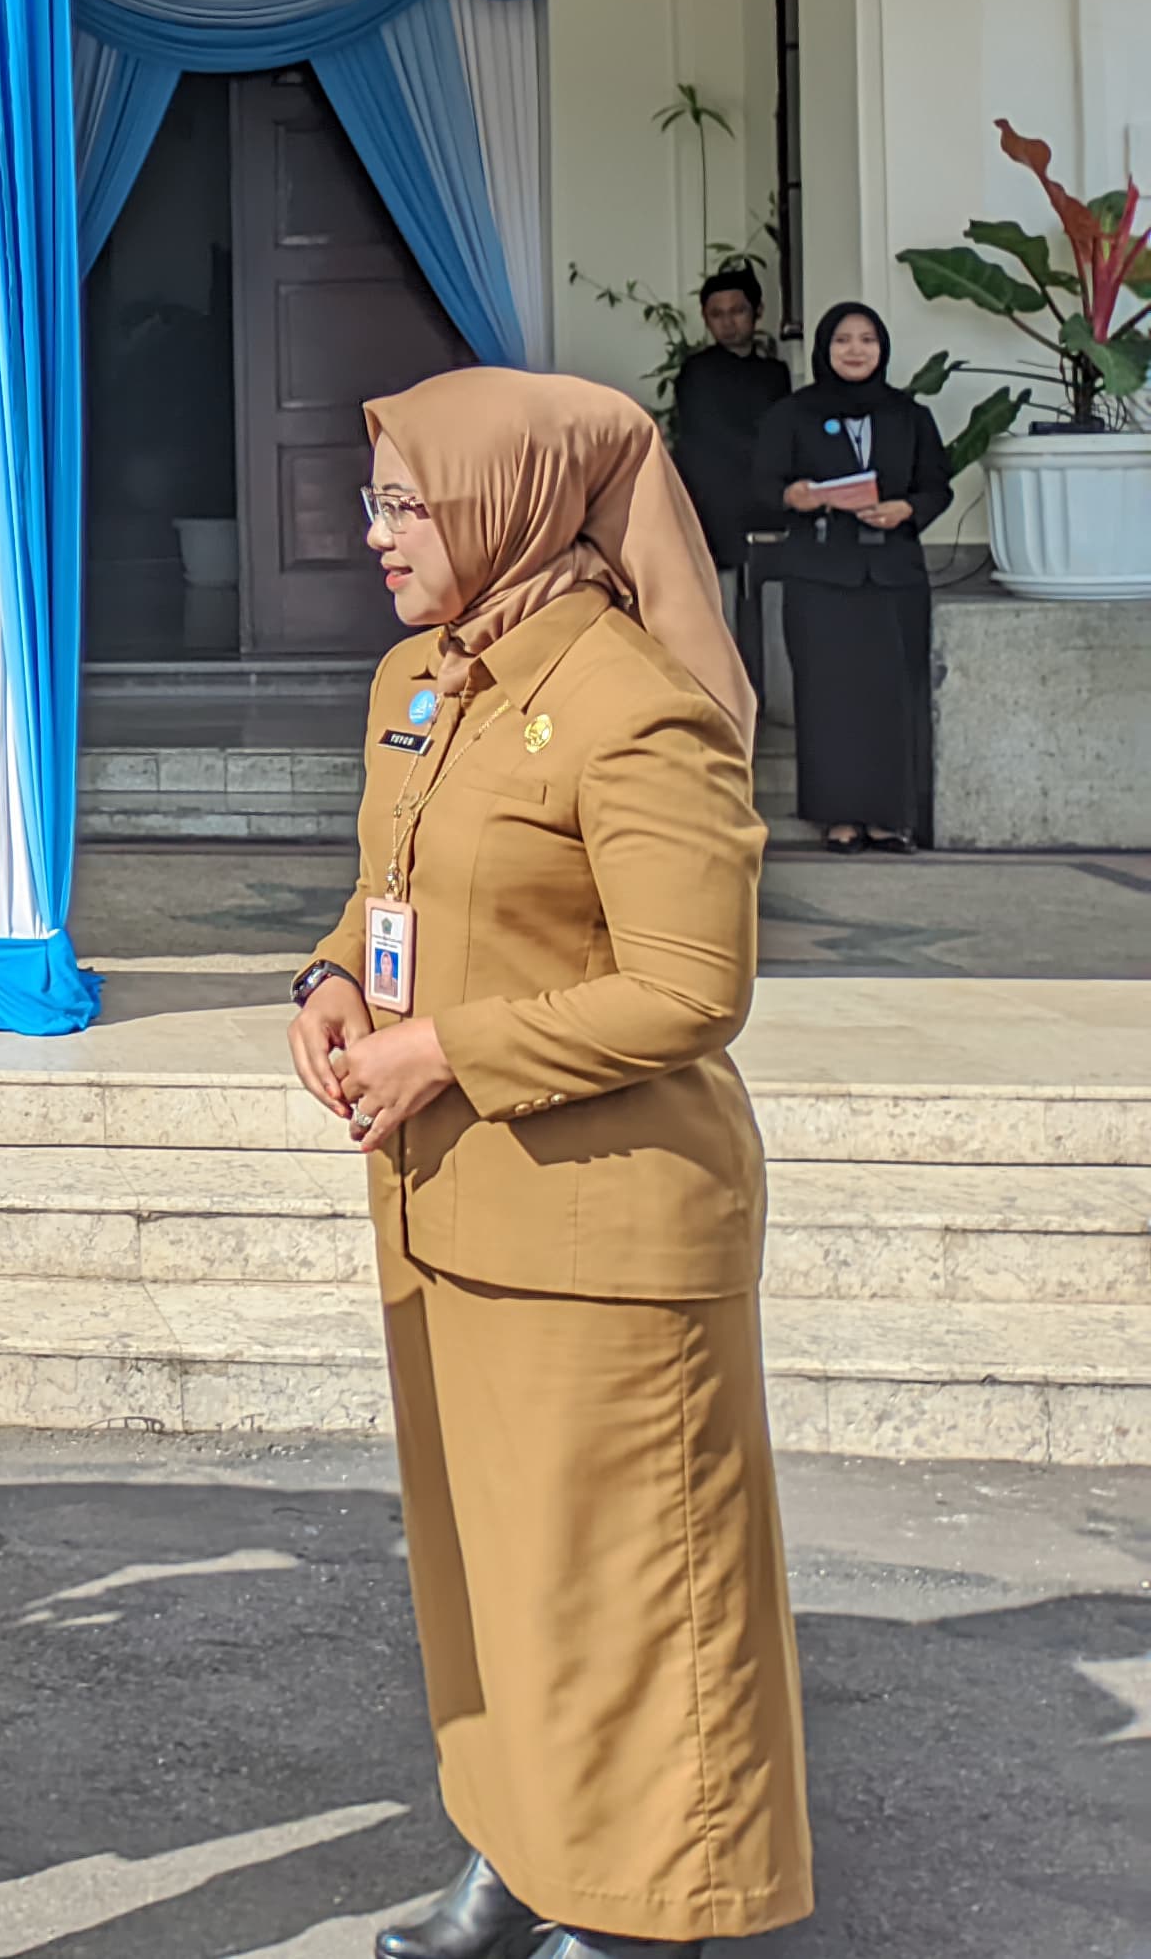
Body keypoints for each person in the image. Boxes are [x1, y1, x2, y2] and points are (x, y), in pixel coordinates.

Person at [292, 369, 810, 1959]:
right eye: (375, 499)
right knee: (493, 1569)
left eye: (406, 503)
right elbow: (393, 882)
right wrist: (330, 979)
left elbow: (689, 988)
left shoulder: (632, 703)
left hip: (603, 1218)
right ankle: (520, 1845)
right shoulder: (421, 678)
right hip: (449, 1203)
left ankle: (646, 1904)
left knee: (630, 1586)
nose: (375, 534)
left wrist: (447, 1050)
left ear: (507, 506)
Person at [753, 301, 949, 850]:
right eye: (843, 340)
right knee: (829, 699)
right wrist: (794, 496)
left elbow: (937, 486)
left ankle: (888, 818)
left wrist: (906, 510)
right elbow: (763, 486)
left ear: (882, 349)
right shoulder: (792, 414)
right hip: (820, 577)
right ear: (825, 349)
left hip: (893, 577)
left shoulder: (909, 415)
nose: (856, 350)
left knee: (893, 699)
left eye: (867, 340)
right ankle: (838, 818)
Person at [665, 263, 790, 683]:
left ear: (757, 312)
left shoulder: (775, 373)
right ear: (706, 318)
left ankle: (759, 692)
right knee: (718, 610)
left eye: (737, 311)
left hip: (764, 503)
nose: (728, 322)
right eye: (717, 314)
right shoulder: (696, 371)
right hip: (711, 503)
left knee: (761, 604)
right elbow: (705, 436)